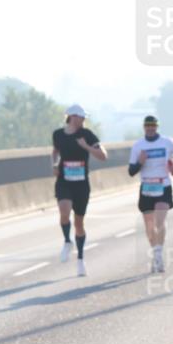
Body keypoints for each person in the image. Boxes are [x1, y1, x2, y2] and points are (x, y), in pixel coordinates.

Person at [52, 104, 107, 276]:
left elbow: (103, 156)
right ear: (72, 117)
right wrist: (54, 163)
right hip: (64, 180)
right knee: (64, 210)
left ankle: (81, 259)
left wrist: (86, 147)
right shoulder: (58, 134)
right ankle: (68, 241)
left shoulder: (87, 135)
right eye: (81, 117)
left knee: (79, 223)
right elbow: (55, 151)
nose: (83, 120)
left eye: (84, 117)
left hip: (81, 184)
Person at [128, 115, 173, 272]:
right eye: (148, 126)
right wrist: (141, 162)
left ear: (157, 127)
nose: (150, 128)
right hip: (146, 187)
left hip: (163, 185)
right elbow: (131, 171)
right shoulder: (138, 146)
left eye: (153, 126)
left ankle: (158, 255)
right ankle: (156, 252)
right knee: (149, 225)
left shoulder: (167, 142)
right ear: (144, 127)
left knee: (160, 222)